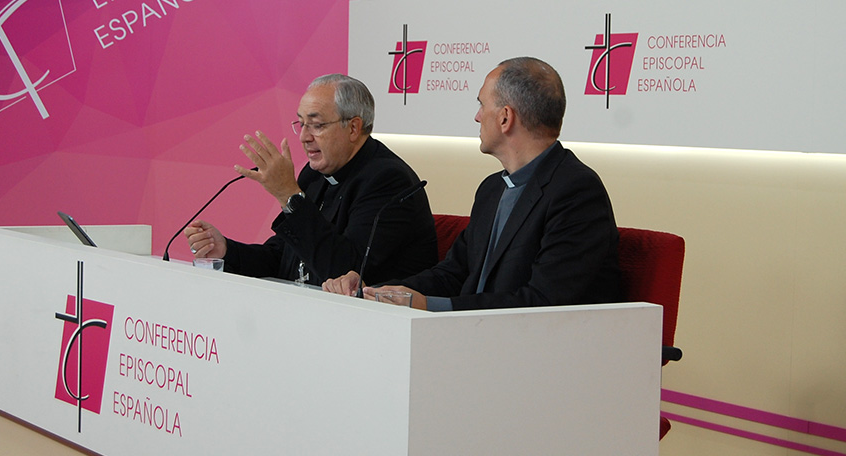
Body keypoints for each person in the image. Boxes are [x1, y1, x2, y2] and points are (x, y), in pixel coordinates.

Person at [322, 57, 621, 310]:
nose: (477, 116)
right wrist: (374, 290)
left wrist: (433, 305)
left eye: (482, 105)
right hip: (477, 340)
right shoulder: (492, 188)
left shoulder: (576, 191)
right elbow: (455, 272)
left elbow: (542, 302)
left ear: (506, 118)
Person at [185, 74, 438, 285]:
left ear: (353, 128)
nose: (304, 137)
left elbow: (344, 271)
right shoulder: (315, 174)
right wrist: (226, 251)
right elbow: (282, 258)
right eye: (301, 124)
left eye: (316, 125)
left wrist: (289, 197)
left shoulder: (388, 180)